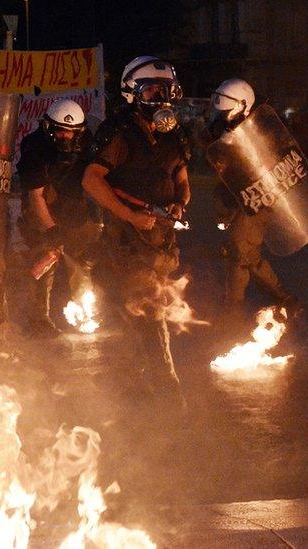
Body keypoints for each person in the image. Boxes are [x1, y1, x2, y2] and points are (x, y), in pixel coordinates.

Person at [82, 56, 189, 406]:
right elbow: (92, 180)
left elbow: (181, 179)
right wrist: (129, 215)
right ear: (133, 92)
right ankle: (166, 388)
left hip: (160, 238)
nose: (161, 98)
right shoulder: (119, 132)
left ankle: (134, 382)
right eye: (152, 90)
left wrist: (179, 204)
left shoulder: (174, 134)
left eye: (166, 90)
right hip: (126, 240)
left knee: (139, 309)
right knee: (148, 307)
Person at [207, 79, 297, 315]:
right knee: (241, 252)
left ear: (242, 104)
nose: (222, 115)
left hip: (259, 196)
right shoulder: (223, 126)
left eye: (226, 110)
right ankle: (283, 299)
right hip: (233, 194)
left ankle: (236, 306)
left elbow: (280, 158)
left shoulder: (264, 125)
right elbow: (220, 159)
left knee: (240, 251)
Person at [16, 98, 98, 337]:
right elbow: (36, 195)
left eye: (70, 133)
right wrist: (51, 230)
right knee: (44, 262)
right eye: (60, 131)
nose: (65, 137)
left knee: (82, 263)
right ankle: (38, 320)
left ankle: (85, 313)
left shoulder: (86, 143)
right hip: (42, 208)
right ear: (49, 127)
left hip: (74, 208)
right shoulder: (34, 146)